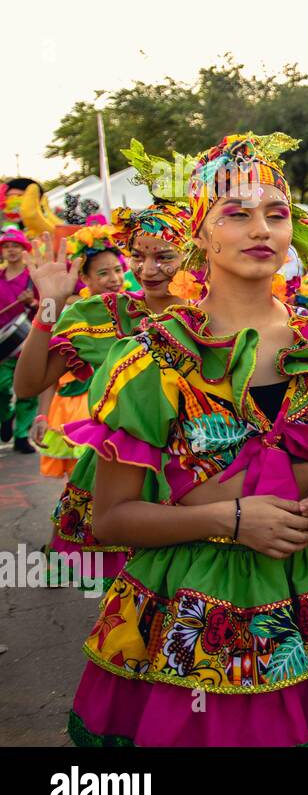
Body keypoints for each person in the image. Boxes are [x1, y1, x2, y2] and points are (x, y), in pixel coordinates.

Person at [63, 132, 308, 746]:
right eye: (236, 214)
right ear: (199, 234)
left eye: (276, 214)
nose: (261, 229)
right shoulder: (154, 357)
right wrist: (232, 520)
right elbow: (113, 519)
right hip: (196, 604)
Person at [15, 141, 195, 588]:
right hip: (121, 481)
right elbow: (28, 384)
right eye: (140, 255)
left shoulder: (217, 318)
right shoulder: (106, 315)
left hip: (200, 475)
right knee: (131, 600)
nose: (148, 269)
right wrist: (49, 307)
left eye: (165, 256)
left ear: (195, 256)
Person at [30, 224, 125, 479]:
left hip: (124, 414)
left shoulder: (134, 309)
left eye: (118, 270)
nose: (114, 279)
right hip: (78, 407)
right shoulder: (72, 315)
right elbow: (47, 373)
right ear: (84, 277)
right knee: (83, 482)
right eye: (104, 273)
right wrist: (42, 414)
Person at [0, 226, 38, 453]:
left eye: (16, 246)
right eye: (7, 246)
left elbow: (50, 310)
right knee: (2, 388)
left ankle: (22, 434)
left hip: (29, 342)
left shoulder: (33, 278)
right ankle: (6, 415)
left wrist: (32, 303)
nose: (11, 250)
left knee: (28, 390)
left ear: (24, 250)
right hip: (3, 347)